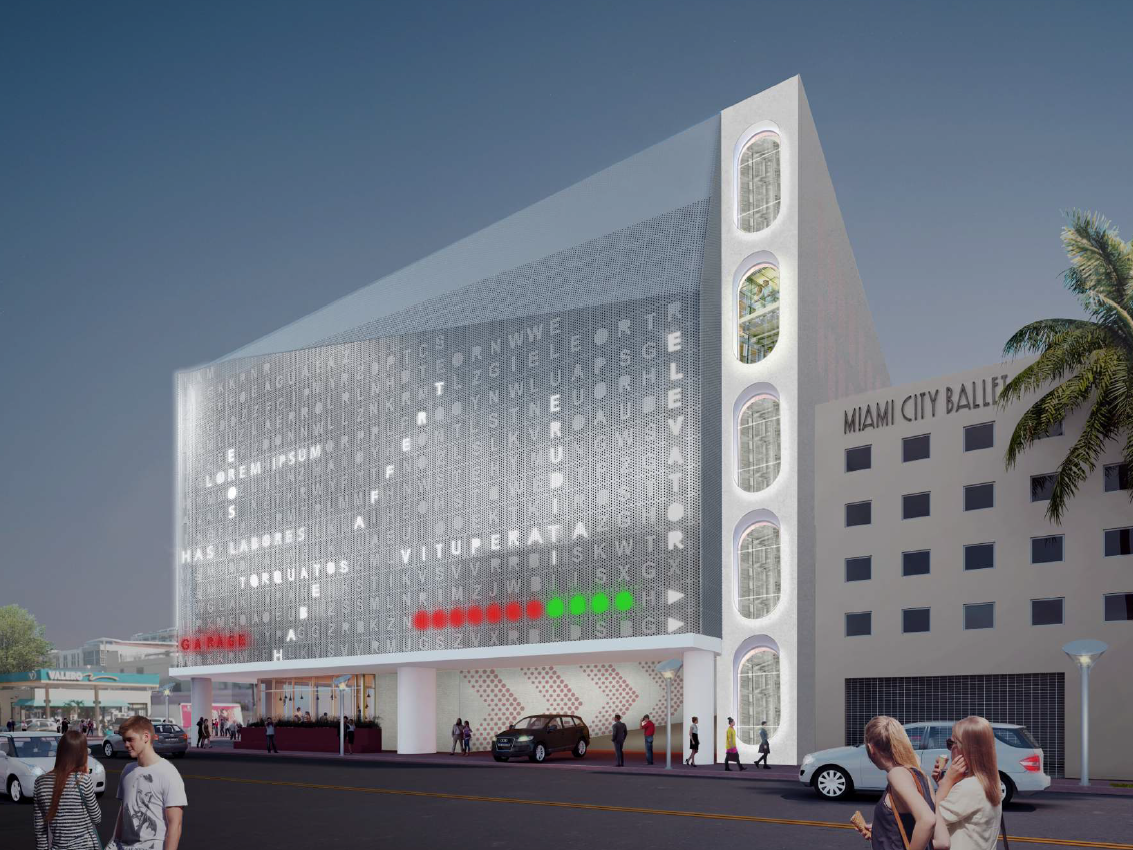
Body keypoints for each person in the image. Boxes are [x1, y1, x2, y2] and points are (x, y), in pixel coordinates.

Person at [857, 716, 936, 850]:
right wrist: (882, 830)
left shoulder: (896, 774)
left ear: (871, 749)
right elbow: (943, 842)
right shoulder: (923, 777)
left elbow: (927, 820)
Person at [110, 715, 187, 850]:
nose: (126, 744)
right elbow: (123, 811)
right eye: (124, 740)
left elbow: (175, 825)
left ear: (146, 737)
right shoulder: (127, 771)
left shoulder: (168, 773)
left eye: (130, 739)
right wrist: (114, 842)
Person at [930, 716, 1004, 850]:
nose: (949, 749)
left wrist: (946, 783)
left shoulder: (968, 787)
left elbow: (930, 822)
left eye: (950, 743)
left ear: (964, 749)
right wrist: (946, 783)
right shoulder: (991, 780)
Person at [33, 728, 101, 850]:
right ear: (81, 754)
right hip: (85, 846)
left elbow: (40, 827)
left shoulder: (40, 783)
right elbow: (97, 817)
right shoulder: (83, 780)